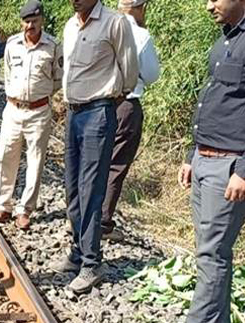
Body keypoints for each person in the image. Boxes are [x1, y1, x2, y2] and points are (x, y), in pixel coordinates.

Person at [145, 0, 245, 323]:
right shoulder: (225, 40)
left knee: (211, 255)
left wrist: (243, 169)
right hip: (205, 158)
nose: (208, 5)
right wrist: (192, 153)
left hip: (229, 166)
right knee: (214, 255)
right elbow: (212, 99)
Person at [51, 0, 138, 294]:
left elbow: (130, 72)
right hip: (73, 112)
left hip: (99, 112)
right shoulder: (70, 26)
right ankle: (78, 252)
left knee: (91, 189)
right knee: (72, 188)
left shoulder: (115, 23)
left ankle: (92, 262)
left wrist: (108, 101)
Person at [0, 1, 63, 230]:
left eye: (34, 21)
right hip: (13, 109)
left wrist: (40, 95)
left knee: (35, 161)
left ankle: (25, 209)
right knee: (6, 156)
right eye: (26, 21)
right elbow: (8, 73)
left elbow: (58, 78)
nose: (30, 25)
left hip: (39, 112)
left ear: (42, 20)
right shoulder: (12, 44)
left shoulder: (53, 46)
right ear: (21, 22)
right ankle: (3, 205)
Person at [101, 0, 161, 242]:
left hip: (95, 103)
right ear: (140, 7)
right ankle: (102, 222)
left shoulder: (102, 25)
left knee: (93, 161)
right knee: (116, 164)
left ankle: (79, 216)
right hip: (125, 105)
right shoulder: (140, 34)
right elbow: (152, 74)